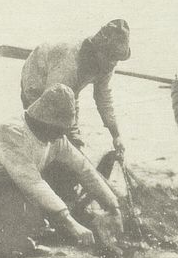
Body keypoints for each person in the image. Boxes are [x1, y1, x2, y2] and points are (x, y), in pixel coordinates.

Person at [0, 83, 124, 258]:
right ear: (44, 121)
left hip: (9, 181)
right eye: (59, 129)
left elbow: (84, 169)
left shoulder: (56, 139)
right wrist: (70, 222)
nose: (62, 135)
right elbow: (33, 185)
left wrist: (113, 207)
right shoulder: (13, 133)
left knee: (65, 172)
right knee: (15, 199)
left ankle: (25, 241)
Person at [20, 19, 132, 158]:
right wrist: (69, 136)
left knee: (72, 141)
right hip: (37, 81)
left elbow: (104, 99)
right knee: (44, 134)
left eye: (116, 59)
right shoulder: (70, 60)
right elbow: (54, 100)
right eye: (110, 57)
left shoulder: (106, 65)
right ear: (98, 50)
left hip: (69, 90)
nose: (113, 63)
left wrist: (116, 135)